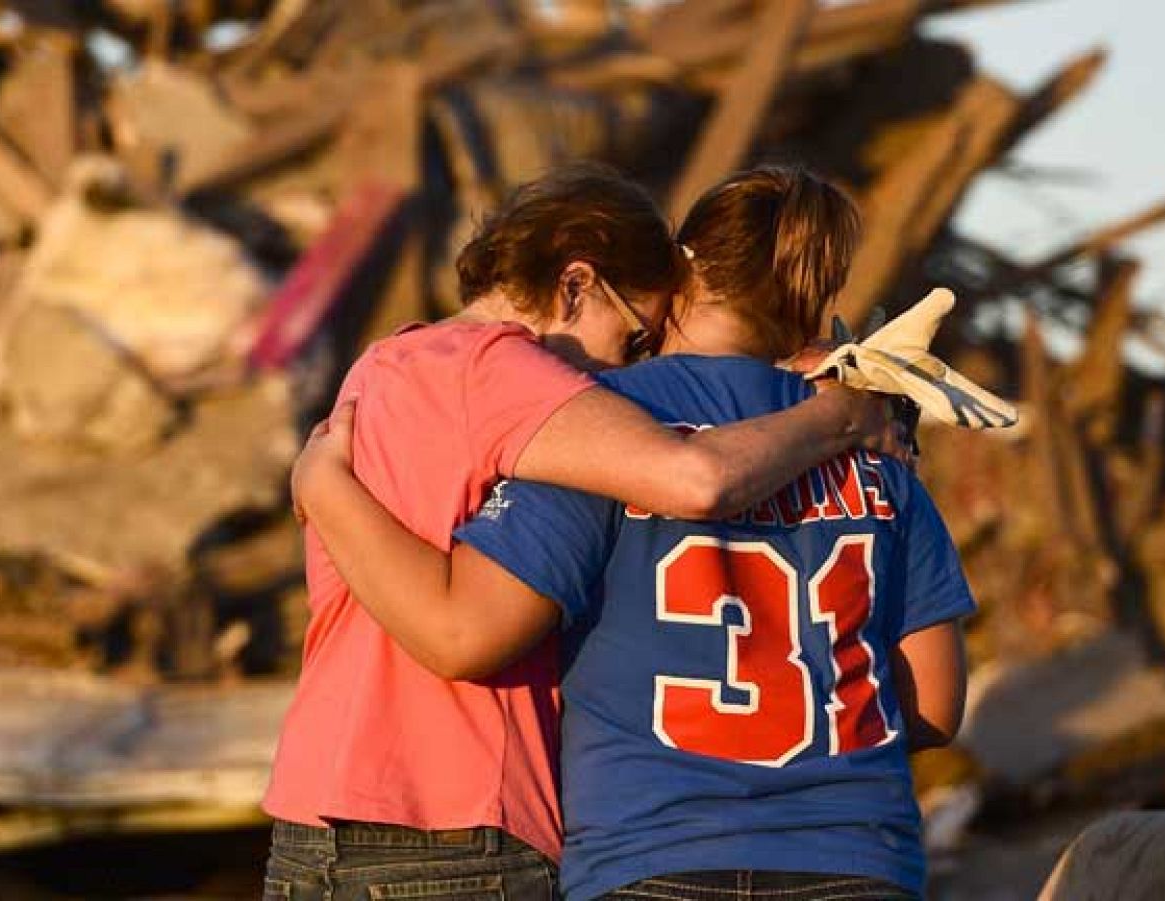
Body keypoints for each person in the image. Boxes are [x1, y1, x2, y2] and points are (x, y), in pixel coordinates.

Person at [294, 166, 977, 900]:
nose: (628, 351)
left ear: (687, 276)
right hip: (855, 851)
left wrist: (319, 484)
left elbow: (470, 625)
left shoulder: (591, 425)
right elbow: (934, 703)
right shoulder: (874, 445)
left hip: (646, 848)